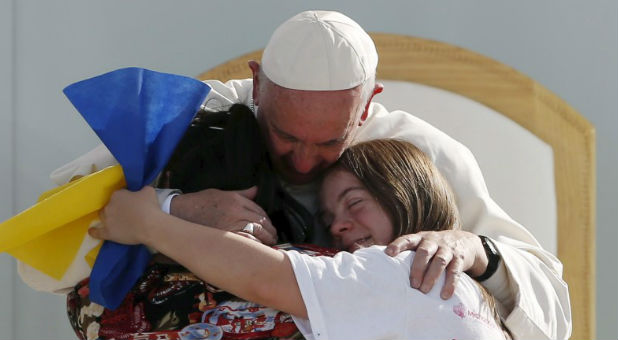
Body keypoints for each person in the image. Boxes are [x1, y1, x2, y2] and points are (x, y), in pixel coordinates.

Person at [19, 10, 570, 339]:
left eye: (330, 142)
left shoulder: (417, 153)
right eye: (285, 135)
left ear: (368, 104)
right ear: (256, 85)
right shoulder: (190, 121)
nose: (304, 162)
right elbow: (40, 260)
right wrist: (179, 206)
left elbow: (552, 310)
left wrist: (474, 249)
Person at [90, 138, 511, 340]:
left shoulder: (403, 271)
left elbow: (262, 277)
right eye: (329, 218)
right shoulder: (471, 298)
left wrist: (150, 220)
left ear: (405, 191)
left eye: (355, 202)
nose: (340, 226)